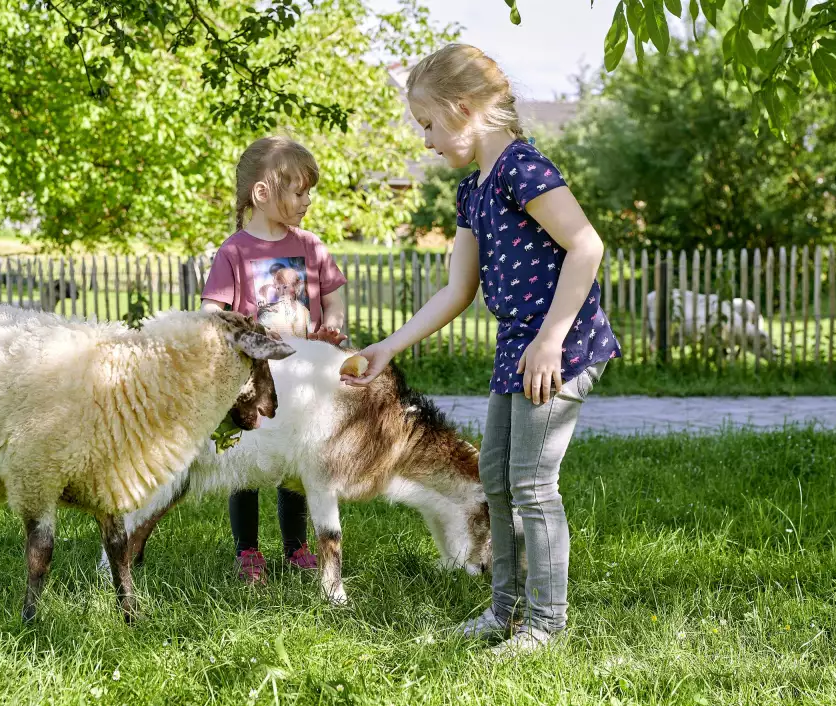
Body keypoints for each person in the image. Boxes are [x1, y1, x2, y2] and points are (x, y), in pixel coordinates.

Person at [341, 44, 621, 655]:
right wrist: (388, 347)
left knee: (532, 483)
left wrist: (550, 340)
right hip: (517, 344)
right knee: (493, 475)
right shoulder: (473, 192)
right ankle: (505, 610)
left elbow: (586, 247)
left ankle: (546, 624)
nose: (425, 141)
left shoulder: (524, 168)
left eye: (428, 124)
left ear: (462, 109)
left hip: (560, 343)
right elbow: (457, 290)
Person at [201, 135, 349, 583]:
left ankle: (296, 545)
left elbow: (334, 292)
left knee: (298, 464)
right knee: (246, 465)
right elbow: (213, 313)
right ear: (263, 193)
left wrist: (334, 328)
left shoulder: (311, 245)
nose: (307, 200)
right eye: (299, 191)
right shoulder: (234, 252)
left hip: (304, 381)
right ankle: (248, 551)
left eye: (308, 192)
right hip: (255, 382)